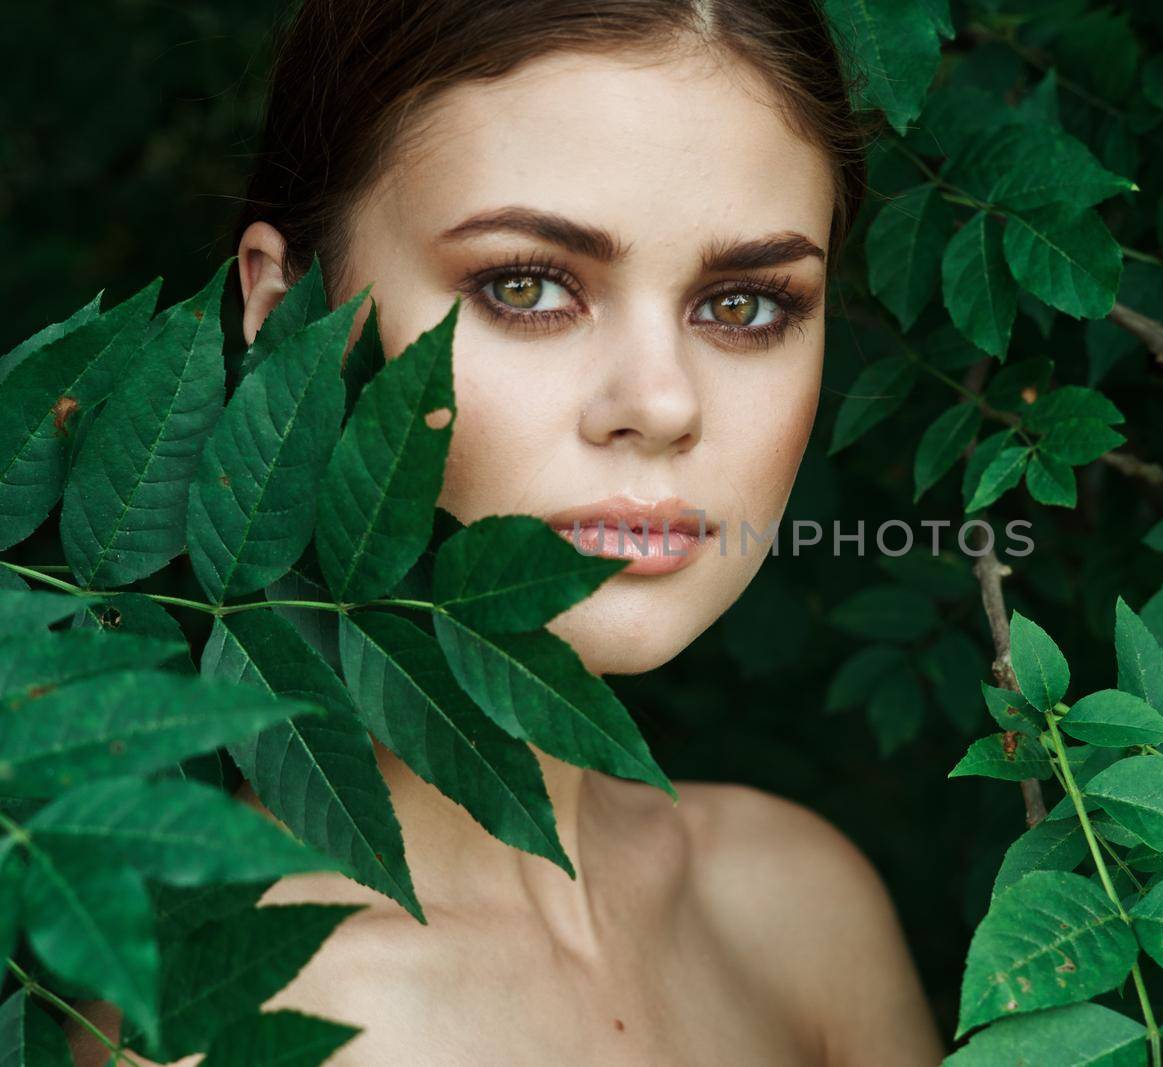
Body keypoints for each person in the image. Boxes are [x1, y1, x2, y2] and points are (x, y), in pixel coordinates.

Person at [67, 1, 946, 1064]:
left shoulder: (799, 904)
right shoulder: (223, 1009)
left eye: (745, 305)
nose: (662, 404)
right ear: (281, 306)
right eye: (525, 286)